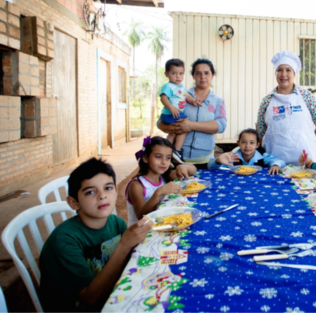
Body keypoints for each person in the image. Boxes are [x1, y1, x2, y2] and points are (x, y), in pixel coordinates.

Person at [39, 158, 152, 312]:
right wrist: (125, 245)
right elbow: (90, 300)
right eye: (90, 192)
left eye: (108, 188)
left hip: (113, 294)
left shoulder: (116, 223)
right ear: (74, 203)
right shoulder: (64, 242)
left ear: (116, 191)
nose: (102, 196)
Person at [257, 50, 316, 165]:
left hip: (305, 162)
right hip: (274, 164)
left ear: (294, 73)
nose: (283, 74)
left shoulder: (307, 96)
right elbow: (260, 131)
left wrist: (310, 142)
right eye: (279, 70)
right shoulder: (267, 100)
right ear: (275, 73)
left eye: (288, 70)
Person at [157, 58, 227, 169]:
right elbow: (160, 123)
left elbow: (221, 126)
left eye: (206, 73)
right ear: (193, 76)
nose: (202, 76)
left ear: (213, 75)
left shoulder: (218, 100)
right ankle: (175, 151)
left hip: (205, 160)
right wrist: (174, 128)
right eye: (198, 73)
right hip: (178, 160)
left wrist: (191, 125)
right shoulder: (180, 94)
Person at [126, 136, 181, 226]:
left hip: (160, 227)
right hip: (141, 236)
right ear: (145, 158)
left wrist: (182, 167)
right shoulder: (136, 185)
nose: (164, 162)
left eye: (168, 158)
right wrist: (158, 193)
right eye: (158, 157)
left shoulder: (164, 177)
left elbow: (192, 170)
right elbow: (141, 216)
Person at [158, 59, 202, 162]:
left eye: (181, 73)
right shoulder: (168, 86)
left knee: (173, 133)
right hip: (169, 114)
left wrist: (194, 101)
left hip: (174, 114)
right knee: (184, 126)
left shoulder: (181, 86)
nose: (178, 76)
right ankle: (177, 150)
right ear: (166, 74)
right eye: (174, 73)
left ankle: (167, 151)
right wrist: (171, 107)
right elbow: (163, 98)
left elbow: (186, 96)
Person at [209, 129, 286, 175]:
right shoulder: (232, 157)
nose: (247, 146)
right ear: (238, 143)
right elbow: (210, 166)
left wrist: (276, 165)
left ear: (257, 144)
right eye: (244, 142)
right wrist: (217, 161)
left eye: (252, 142)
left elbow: (280, 162)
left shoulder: (263, 157)